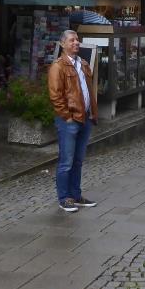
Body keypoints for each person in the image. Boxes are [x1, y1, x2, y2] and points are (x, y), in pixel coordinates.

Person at [47, 30, 99, 213]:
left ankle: (76, 195)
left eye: (77, 39)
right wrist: (67, 116)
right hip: (69, 120)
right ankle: (64, 198)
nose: (76, 42)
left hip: (84, 118)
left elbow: (89, 91)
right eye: (72, 40)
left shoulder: (83, 64)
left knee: (78, 161)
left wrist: (92, 112)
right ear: (63, 44)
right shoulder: (58, 66)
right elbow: (55, 95)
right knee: (66, 161)